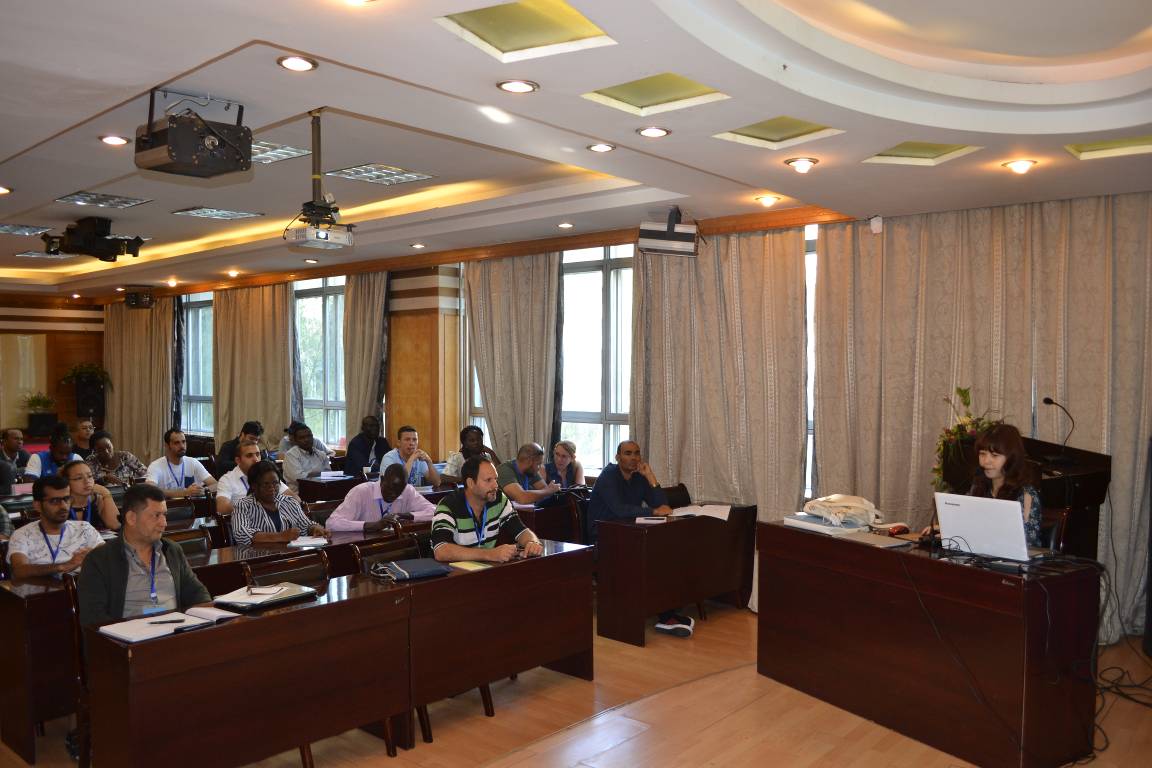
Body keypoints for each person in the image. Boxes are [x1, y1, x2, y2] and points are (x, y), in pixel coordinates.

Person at [588, 441, 691, 638]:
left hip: (630, 533)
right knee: (652, 560)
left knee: (666, 554)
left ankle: (667, 614)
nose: (633, 458)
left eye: (636, 453)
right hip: (604, 538)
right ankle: (666, 617)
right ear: (618, 457)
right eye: (628, 453)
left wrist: (650, 476)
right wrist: (653, 511)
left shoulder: (638, 477)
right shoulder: (608, 476)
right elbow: (619, 509)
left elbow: (662, 505)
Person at [77, 483, 212, 626]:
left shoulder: (171, 550)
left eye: (164, 515)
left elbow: (197, 593)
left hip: (175, 632)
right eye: (156, 515)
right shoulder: (99, 560)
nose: (164, 523)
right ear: (131, 518)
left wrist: (210, 615)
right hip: (128, 636)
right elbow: (93, 619)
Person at [431, 456, 543, 563]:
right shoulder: (448, 506)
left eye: (496, 479)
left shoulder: (499, 499)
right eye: (488, 480)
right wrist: (490, 554)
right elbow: (441, 551)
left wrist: (532, 542)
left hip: (485, 570)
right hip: (453, 573)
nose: (495, 485)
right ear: (471, 483)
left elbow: (521, 530)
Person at [6, 475, 104, 579]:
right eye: (54, 501)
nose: (63, 506)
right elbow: (19, 570)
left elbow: (107, 558)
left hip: (83, 588)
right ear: (37, 505)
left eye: (66, 499)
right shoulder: (22, 535)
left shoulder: (84, 528)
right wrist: (64, 566)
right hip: (40, 589)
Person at [968, 423, 1043, 547]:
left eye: (994, 456)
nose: (986, 461)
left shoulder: (1026, 494)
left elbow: (1027, 541)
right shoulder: (978, 486)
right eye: (982, 454)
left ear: (1011, 458)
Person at [232, 460, 329, 547]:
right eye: (266, 484)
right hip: (259, 557)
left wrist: (314, 529)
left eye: (275, 483)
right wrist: (280, 536)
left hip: (291, 555)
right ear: (254, 486)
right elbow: (241, 534)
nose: (272, 488)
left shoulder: (289, 502)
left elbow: (305, 524)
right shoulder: (243, 506)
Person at [327, 463, 436, 532]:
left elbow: (435, 511)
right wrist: (371, 525)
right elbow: (332, 523)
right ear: (382, 480)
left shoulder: (407, 491)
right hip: (364, 547)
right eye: (390, 488)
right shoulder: (361, 492)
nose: (394, 494)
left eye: (399, 491)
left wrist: (404, 516)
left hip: (393, 545)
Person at [216, 439, 290, 515]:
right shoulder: (227, 480)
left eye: (257, 454)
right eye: (249, 456)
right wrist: (254, 509)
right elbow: (222, 508)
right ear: (238, 460)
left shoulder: (268, 474)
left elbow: (293, 498)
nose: (256, 459)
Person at [145, 429, 218, 498]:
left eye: (183, 442)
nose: (182, 446)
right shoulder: (156, 466)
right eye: (177, 443)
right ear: (167, 446)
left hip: (192, 506)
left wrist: (203, 491)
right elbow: (150, 491)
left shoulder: (193, 462)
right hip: (167, 506)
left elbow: (215, 485)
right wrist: (184, 493)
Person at [61, 459, 120, 530]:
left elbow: (115, 525)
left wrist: (106, 493)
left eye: (89, 476)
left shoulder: (98, 500)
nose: (87, 481)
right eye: (79, 478)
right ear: (66, 482)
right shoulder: (60, 504)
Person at [282, 423, 331, 492]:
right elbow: (300, 479)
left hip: (322, 490)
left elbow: (329, 475)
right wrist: (321, 474)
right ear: (295, 441)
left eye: (309, 436)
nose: (307, 439)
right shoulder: (291, 455)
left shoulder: (321, 454)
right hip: (299, 494)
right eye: (302, 438)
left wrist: (312, 475)